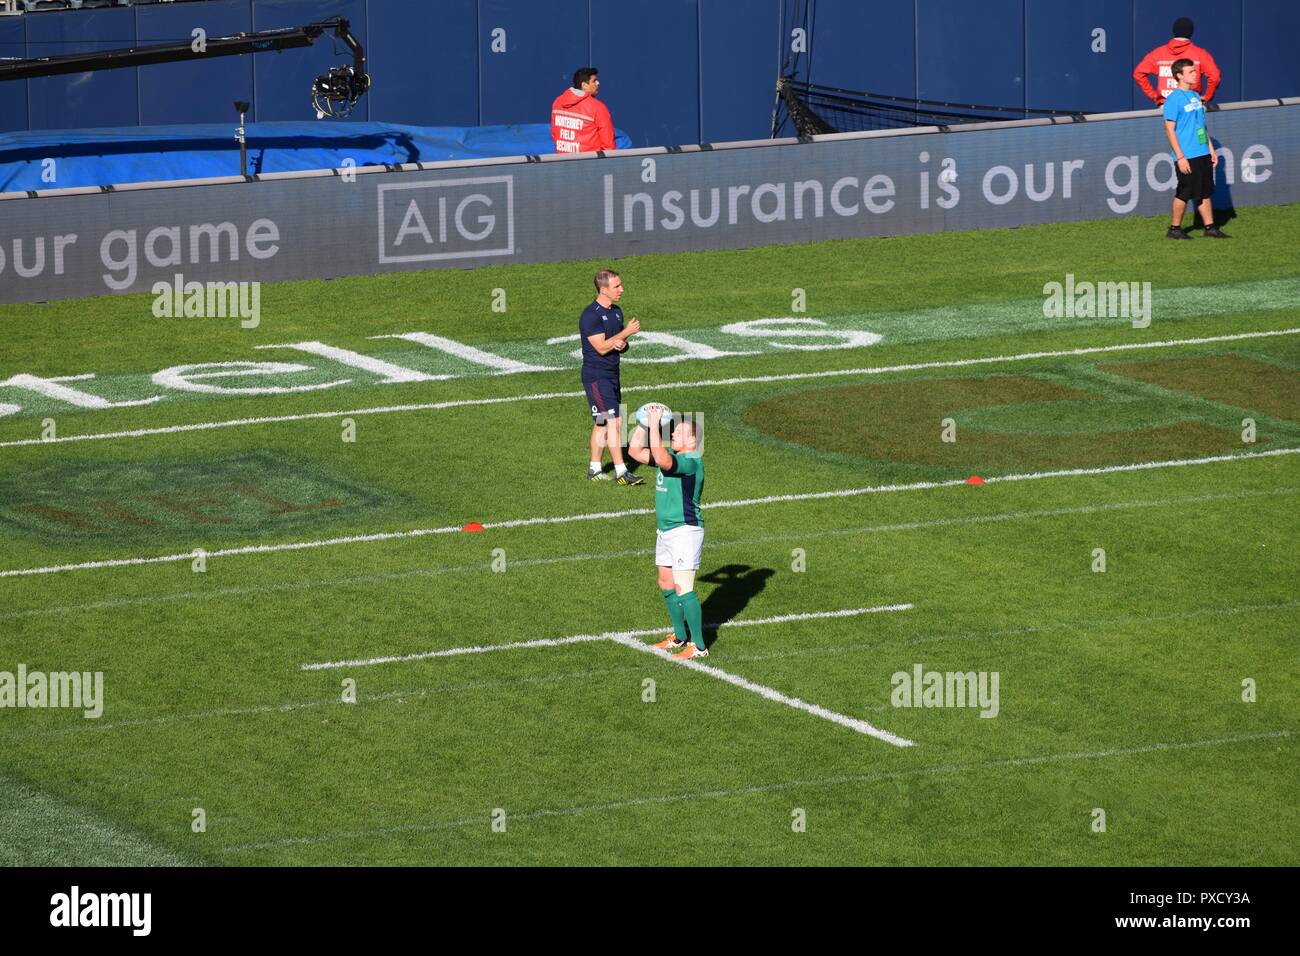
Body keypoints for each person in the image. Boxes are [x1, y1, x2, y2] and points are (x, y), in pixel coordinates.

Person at [627, 405, 707, 660]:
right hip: (665, 531)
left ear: (692, 439)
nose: (672, 434)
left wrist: (653, 424)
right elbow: (635, 451)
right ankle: (679, 636)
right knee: (666, 583)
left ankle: (699, 646)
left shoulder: (691, 462)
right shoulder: (673, 455)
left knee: (684, 587)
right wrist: (642, 423)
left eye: (679, 432)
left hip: (685, 531)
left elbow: (661, 459)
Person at [580, 270, 642, 484]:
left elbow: (615, 345)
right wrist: (626, 333)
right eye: (617, 286)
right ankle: (621, 472)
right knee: (614, 422)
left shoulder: (616, 312)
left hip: (612, 375)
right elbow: (601, 348)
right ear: (603, 289)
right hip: (597, 377)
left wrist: (623, 344)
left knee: (601, 423)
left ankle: (594, 469)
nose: (621, 289)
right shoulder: (591, 316)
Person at [1163, 59, 1229, 239]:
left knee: (1205, 190)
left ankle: (1210, 228)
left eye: (1195, 70)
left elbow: (1201, 125)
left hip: (1202, 152)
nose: (1195, 74)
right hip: (1186, 154)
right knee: (1185, 192)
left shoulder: (1195, 96)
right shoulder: (1173, 100)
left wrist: (1210, 149)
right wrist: (1180, 157)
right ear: (1179, 76)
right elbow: (1169, 129)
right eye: (1191, 71)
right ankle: (1174, 229)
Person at [1133, 17, 1221, 107]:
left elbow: (1138, 73)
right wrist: (1207, 97)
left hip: (1166, 106)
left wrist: (1154, 96)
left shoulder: (1158, 53)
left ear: (1174, 32)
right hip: (1191, 105)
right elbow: (1215, 76)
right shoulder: (1200, 54)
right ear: (1191, 33)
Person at [551, 67, 616, 154]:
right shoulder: (598, 108)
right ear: (584, 85)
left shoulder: (557, 102)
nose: (598, 83)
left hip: (562, 162)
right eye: (594, 81)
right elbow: (609, 147)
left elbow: (555, 135)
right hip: (590, 165)